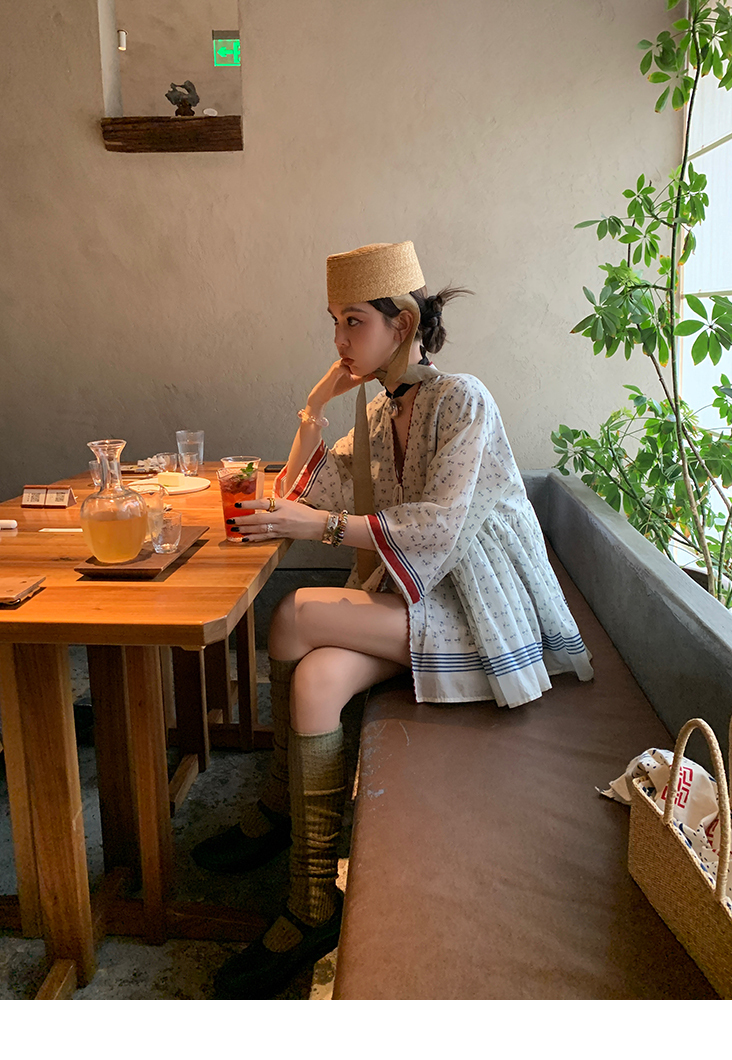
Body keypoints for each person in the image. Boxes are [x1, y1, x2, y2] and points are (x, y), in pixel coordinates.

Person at [197, 241, 594, 998]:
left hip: (476, 604)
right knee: (315, 680)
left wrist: (317, 529)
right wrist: (312, 409)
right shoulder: (380, 414)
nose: (339, 340)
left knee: (294, 613)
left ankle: (278, 810)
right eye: (333, 322)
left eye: (353, 322)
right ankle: (312, 899)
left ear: (402, 323)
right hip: (419, 596)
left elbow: (438, 528)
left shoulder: (463, 400)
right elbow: (304, 492)